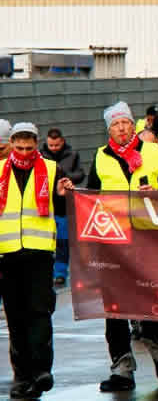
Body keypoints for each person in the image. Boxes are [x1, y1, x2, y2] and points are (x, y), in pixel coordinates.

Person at [88, 101, 158, 392]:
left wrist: (157, 194)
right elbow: (88, 198)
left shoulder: (152, 152)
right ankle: (122, 369)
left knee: (150, 300)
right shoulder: (100, 157)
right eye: (115, 124)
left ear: (132, 124)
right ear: (109, 130)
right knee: (114, 308)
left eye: (125, 122)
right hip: (112, 243)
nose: (122, 128)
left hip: (149, 241)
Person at [0, 122, 73, 399]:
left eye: (30, 148)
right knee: (16, 319)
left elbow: (64, 209)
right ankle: (22, 376)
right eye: (19, 148)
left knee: (40, 314)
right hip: (7, 255)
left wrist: (65, 195)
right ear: (11, 145)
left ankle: (41, 370)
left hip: (40, 253)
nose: (25, 152)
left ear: (36, 145)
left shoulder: (52, 170)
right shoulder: (0, 171)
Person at [39, 128, 85, 286]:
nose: (53, 148)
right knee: (44, 243)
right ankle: (46, 272)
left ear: (62, 142)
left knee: (63, 242)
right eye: (50, 145)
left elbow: (80, 174)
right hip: (45, 206)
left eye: (56, 145)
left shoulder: (72, 154)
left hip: (65, 207)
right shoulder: (39, 156)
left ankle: (60, 272)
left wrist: (64, 175)